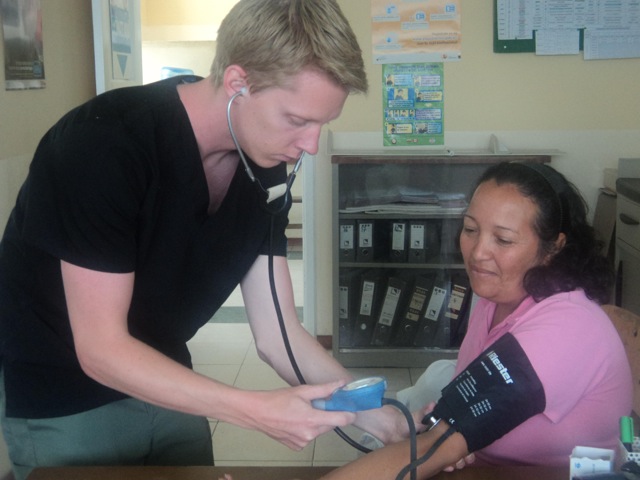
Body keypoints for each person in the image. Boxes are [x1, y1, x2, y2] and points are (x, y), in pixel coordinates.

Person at [0, 2, 417, 479]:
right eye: (297, 119)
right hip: (65, 394)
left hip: (170, 375)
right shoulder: (103, 146)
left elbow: (280, 335)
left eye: (322, 123)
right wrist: (254, 409)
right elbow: (101, 348)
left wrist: (377, 417)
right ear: (238, 83)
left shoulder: (262, 164)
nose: (312, 144)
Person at [320, 161, 633, 479]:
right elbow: (455, 427)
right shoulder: (492, 297)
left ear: (553, 247)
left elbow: (440, 446)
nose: (477, 252)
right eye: (470, 229)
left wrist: (449, 439)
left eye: (504, 240)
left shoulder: (567, 328)